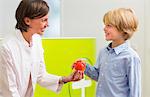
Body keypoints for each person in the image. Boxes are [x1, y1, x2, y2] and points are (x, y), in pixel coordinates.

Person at [0, 0, 83, 97]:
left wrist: (66, 79)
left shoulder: (37, 40)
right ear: (27, 21)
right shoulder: (7, 48)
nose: (47, 24)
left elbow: (40, 75)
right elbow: (10, 91)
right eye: (43, 20)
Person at [76, 8, 141, 97]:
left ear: (123, 29)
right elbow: (98, 76)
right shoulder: (103, 52)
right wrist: (84, 67)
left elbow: (135, 91)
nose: (104, 28)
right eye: (105, 25)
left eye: (109, 25)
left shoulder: (131, 57)